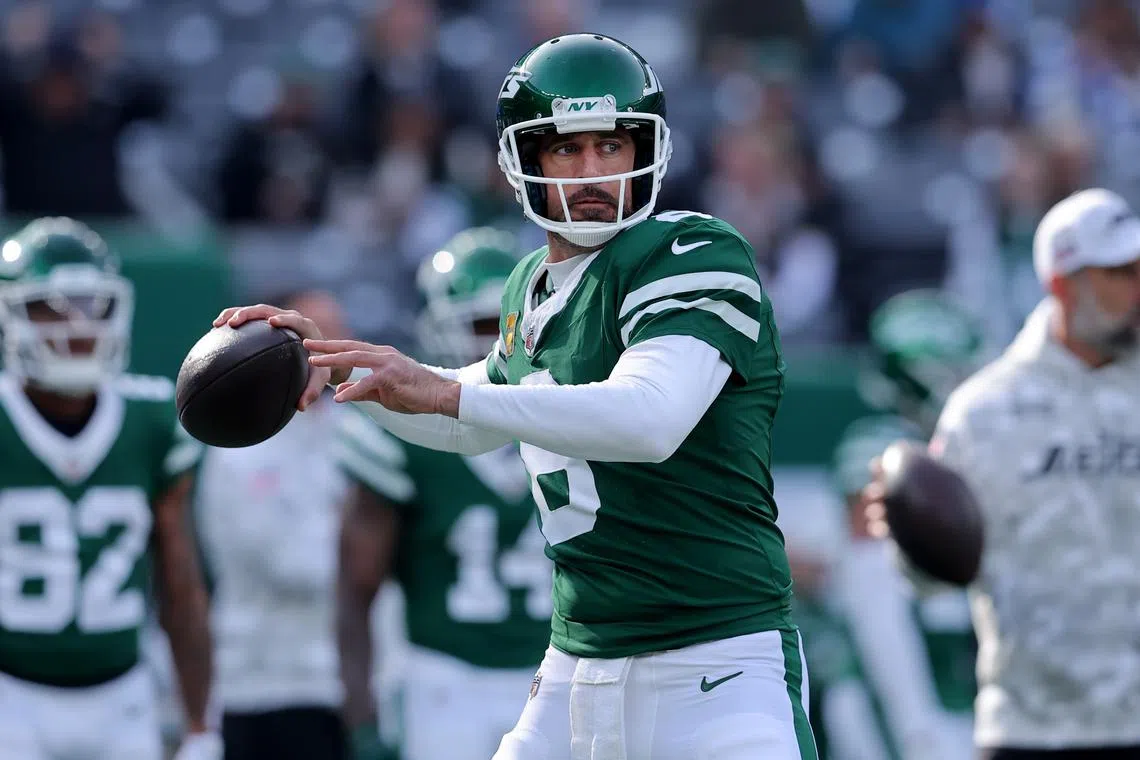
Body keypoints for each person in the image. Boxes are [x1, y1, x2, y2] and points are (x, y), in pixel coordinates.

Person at [215, 32, 817, 760]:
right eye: (565, 149)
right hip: (577, 669)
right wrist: (346, 372)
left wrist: (443, 393)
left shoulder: (691, 251)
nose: (591, 171)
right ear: (521, 162)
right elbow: (479, 414)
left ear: (644, 150)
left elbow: (650, 417)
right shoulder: (529, 283)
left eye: (609, 146)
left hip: (715, 665)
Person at [866, 187, 1140, 759]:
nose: (1137, 288)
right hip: (1033, 733)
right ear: (1064, 283)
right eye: (1120, 273)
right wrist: (905, 529)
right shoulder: (985, 412)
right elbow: (933, 579)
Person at [0, 218, 219, 759]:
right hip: (10, 692)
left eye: (91, 306)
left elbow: (180, 584)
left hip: (124, 695)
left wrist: (199, 725)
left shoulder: (148, 418)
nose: (76, 326)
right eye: (53, 307)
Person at [337, 228, 552, 760]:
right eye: (480, 325)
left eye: (509, 327)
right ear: (438, 328)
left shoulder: (572, 415)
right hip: (443, 678)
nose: (496, 345)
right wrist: (363, 717)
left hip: (557, 677)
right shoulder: (401, 436)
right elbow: (356, 588)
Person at [194, 289, 357, 760]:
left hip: (342, 681)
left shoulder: (351, 432)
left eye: (334, 335)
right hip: (261, 682)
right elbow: (297, 566)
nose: (328, 349)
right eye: (313, 338)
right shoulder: (240, 444)